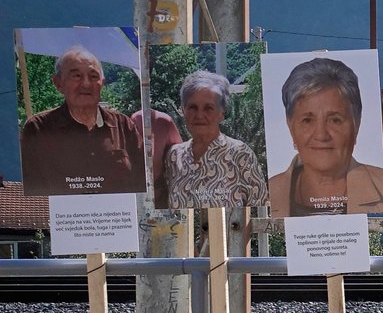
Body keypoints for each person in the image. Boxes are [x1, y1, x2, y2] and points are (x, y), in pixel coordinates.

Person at [268, 57, 383, 217]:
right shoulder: (268, 192)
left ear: (356, 124)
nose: (321, 135)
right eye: (307, 120)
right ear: (291, 126)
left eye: (335, 120)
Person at [19, 46, 144, 196]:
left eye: (93, 76)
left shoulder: (123, 126)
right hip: (65, 211)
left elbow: (142, 182)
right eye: (76, 76)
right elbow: (32, 189)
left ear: (102, 83)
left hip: (117, 211)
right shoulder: (38, 129)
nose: (86, 84)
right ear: (58, 83)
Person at [162, 70, 268, 210]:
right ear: (183, 110)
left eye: (208, 108)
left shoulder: (240, 154)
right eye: (193, 107)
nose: (199, 115)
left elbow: (261, 211)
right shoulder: (174, 156)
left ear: (222, 113)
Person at [132, 108, 184, 208]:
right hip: (139, 193)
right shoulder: (134, 120)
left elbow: (179, 155)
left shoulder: (164, 121)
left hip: (161, 192)